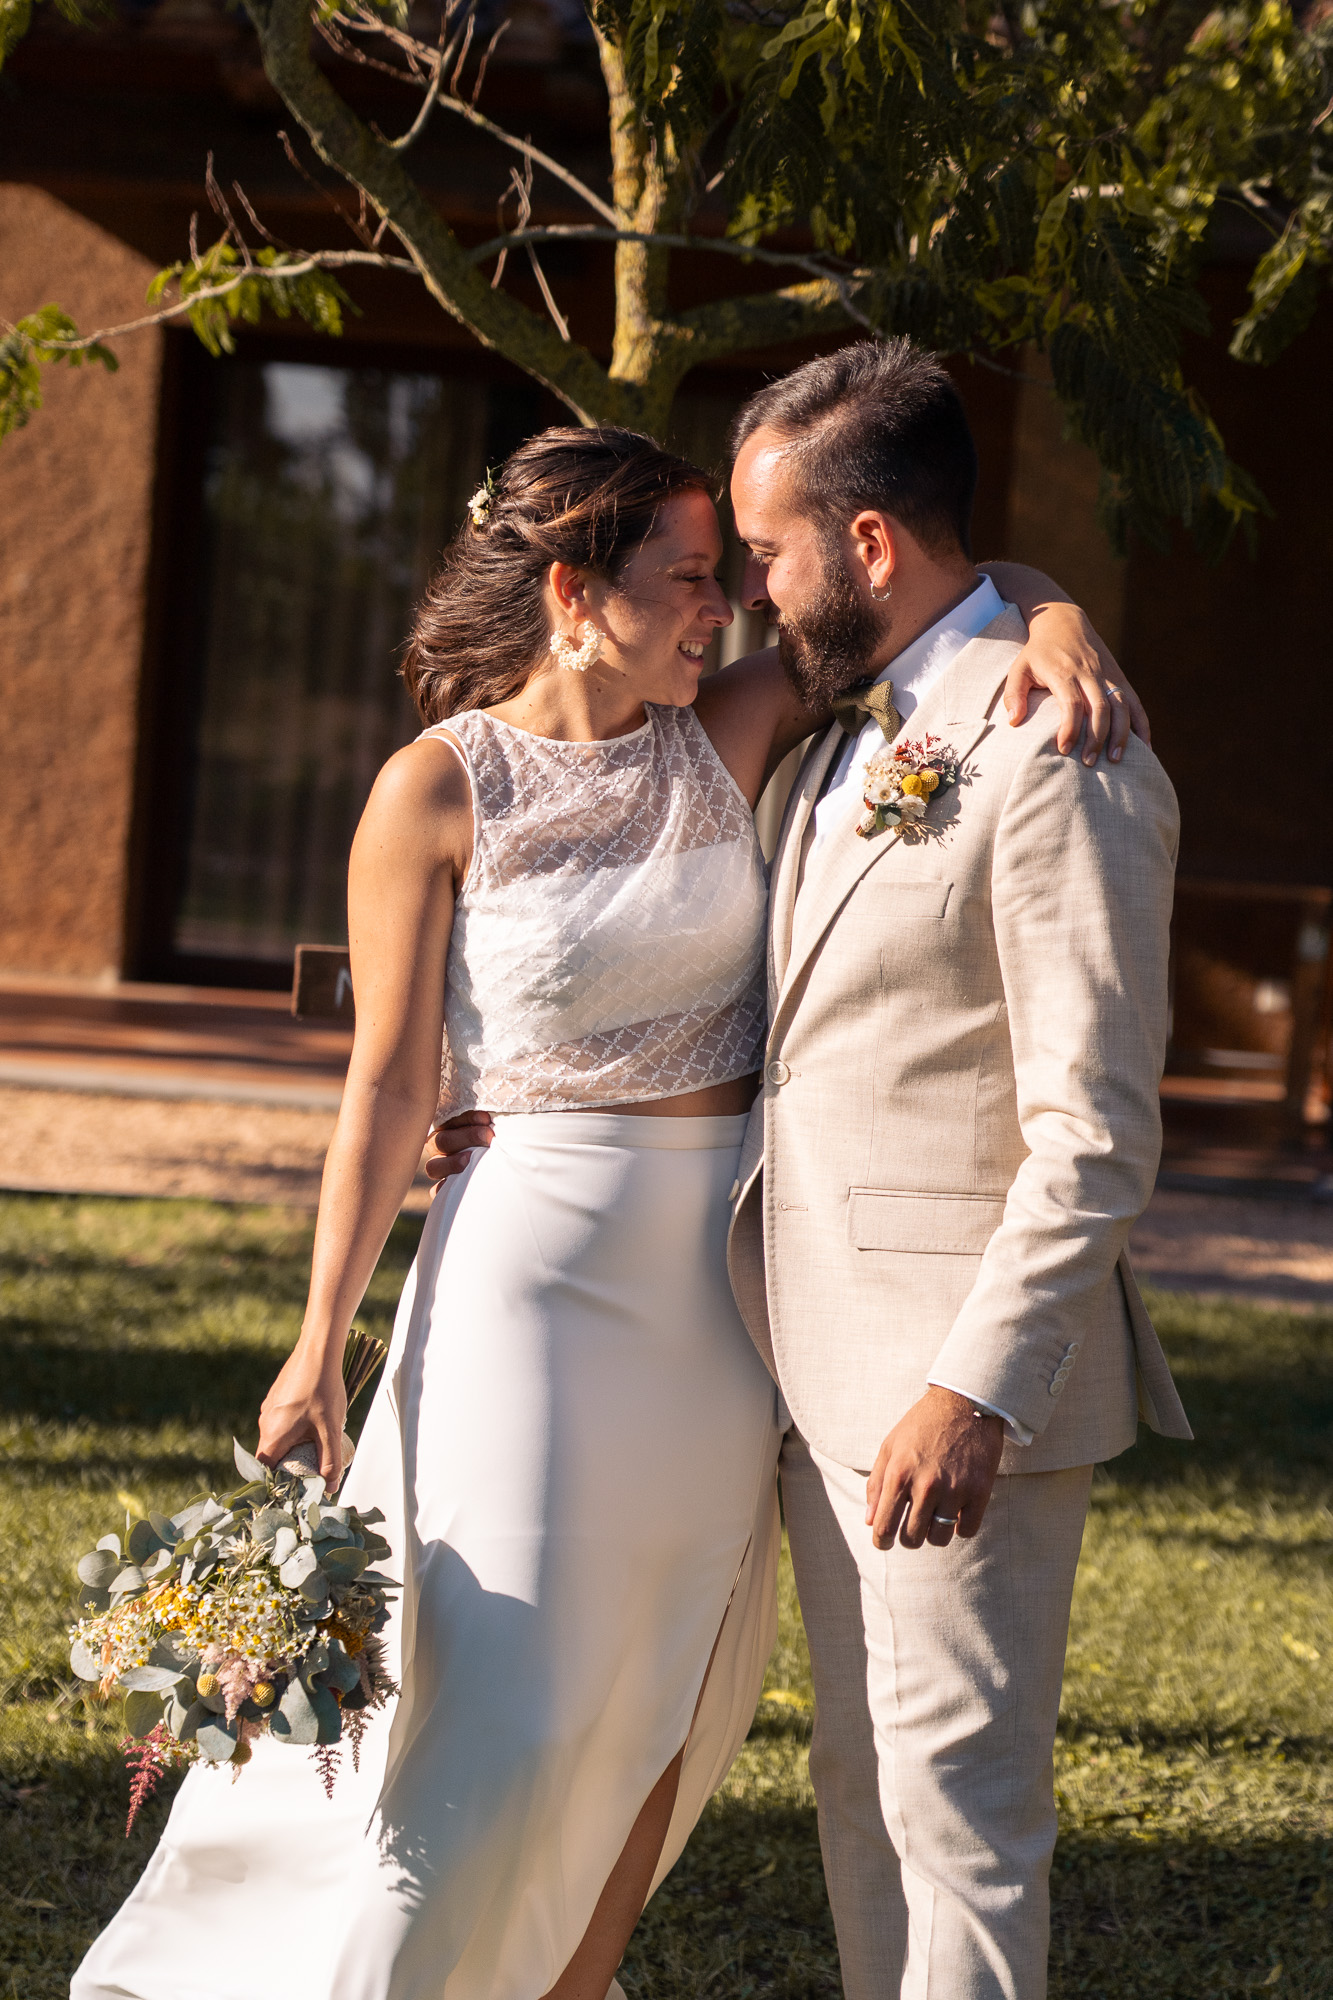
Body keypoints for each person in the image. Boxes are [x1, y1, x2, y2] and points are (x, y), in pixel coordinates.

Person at [72, 419, 1141, 2000]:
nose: (726, 606)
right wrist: (316, 1343)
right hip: (526, 1282)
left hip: (718, 1301)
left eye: (726, 573)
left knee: (661, 1701)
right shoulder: (434, 787)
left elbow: (934, 592)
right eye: (688, 578)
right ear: (575, 593)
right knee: (504, 1701)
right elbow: (387, 1083)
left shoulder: (732, 726)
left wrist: (1056, 616)